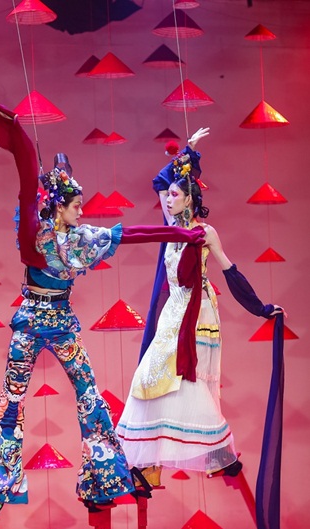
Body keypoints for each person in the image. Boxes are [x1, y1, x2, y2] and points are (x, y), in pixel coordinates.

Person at [0, 67, 206, 512]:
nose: (82, 211)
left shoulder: (81, 238)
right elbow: (25, 166)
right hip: (30, 324)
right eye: (76, 206)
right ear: (60, 207)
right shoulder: (34, 232)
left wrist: (180, 234)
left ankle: (100, 484)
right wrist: (3, 118)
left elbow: (130, 234)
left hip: (61, 324)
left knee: (88, 395)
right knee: (12, 400)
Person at [116, 130, 284, 484]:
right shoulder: (171, 228)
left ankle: (216, 455)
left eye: (174, 195)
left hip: (197, 312)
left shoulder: (204, 233)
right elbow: (159, 181)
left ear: (189, 200)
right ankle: (153, 466)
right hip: (173, 313)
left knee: (187, 381)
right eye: (168, 196)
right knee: (151, 379)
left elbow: (230, 270)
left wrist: (260, 308)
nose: (167, 199)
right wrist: (189, 153)